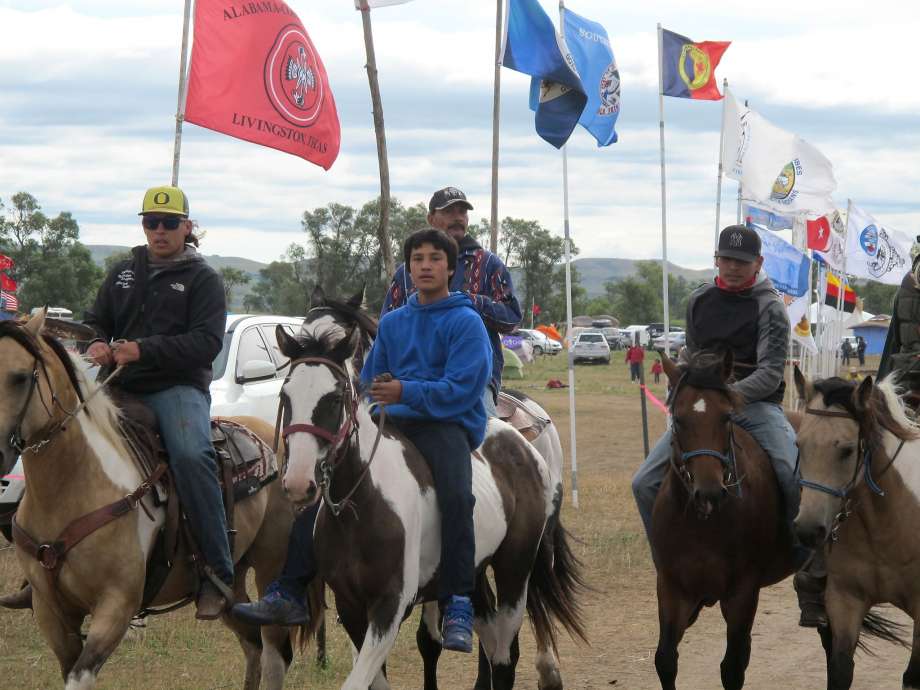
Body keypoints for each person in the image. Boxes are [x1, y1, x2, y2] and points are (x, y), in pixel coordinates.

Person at [233, 230, 492, 655]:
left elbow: (465, 387)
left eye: (434, 258)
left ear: (450, 267)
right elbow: (370, 380)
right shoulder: (393, 323)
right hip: (389, 423)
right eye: (417, 259)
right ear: (409, 268)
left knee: (458, 499)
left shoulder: (466, 323)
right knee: (323, 488)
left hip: (446, 427)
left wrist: (407, 391)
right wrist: (375, 396)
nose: (425, 265)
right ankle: (290, 590)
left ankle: (458, 601)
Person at [630, 225, 821, 626]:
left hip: (754, 405)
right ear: (717, 259)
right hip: (708, 409)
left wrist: (727, 396)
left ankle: (808, 567)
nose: (734, 268)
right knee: (644, 482)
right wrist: (687, 385)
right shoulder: (700, 299)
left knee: (790, 473)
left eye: (743, 262)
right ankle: (669, 562)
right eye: (727, 259)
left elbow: (770, 373)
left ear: (758, 264)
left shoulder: (769, 306)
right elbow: (695, 356)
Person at [84, 185, 232, 620]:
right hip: (120, 385)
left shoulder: (204, 279)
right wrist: (95, 341)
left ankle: (217, 572)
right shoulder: (122, 272)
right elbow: (97, 320)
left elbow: (206, 343)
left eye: (170, 223)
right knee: (65, 436)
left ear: (188, 226)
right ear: (143, 225)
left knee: (191, 455)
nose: (160, 231)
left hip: (177, 389)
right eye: (152, 222)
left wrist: (143, 350)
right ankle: (44, 561)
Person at [381, 187, 521, 417]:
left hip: (474, 378)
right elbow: (386, 327)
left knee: (483, 435)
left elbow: (512, 320)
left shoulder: (489, 265)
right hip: (410, 376)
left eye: (462, 212)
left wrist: (467, 302)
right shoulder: (407, 272)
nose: (457, 217)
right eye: (449, 212)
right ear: (430, 219)